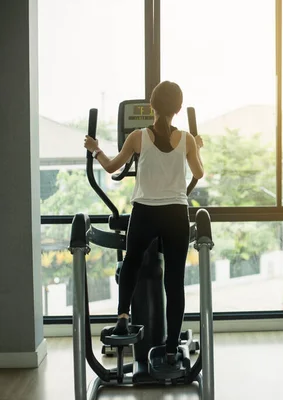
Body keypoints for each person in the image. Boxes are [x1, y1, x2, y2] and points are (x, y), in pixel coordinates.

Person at [83, 81, 204, 365]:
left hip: (145, 212)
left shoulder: (138, 136)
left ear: (152, 106)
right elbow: (198, 172)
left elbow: (112, 167)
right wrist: (196, 148)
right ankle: (172, 347)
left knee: (132, 263)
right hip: (176, 214)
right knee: (174, 282)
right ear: (177, 109)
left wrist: (95, 149)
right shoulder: (186, 139)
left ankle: (123, 318)